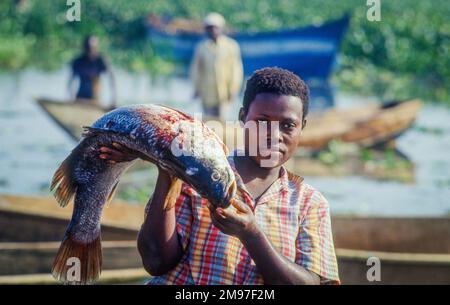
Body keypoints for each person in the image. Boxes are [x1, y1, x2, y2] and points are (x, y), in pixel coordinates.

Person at [99, 67, 340, 285]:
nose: (273, 135)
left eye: (288, 125)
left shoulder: (310, 203)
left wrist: (251, 234)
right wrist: (168, 173)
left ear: (302, 127)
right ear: (243, 117)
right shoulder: (195, 176)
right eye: (262, 122)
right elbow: (155, 263)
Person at [190, 12, 243, 120]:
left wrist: (233, 89)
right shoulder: (201, 47)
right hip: (207, 92)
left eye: (215, 27)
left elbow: (236, 70)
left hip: (224, 91)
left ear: (221, 28)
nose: (212, 31)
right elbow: (196, 70)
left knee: (223, 121)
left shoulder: (231, 46)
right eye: (209, 28)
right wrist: (196, 89)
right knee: (209, 121)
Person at [68, 35, 117, 108]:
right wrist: (71, 97)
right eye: (87, 48)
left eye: (91, 48)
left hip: (95, 99)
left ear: (96, 48)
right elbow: (70, 81)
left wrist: (113, 99)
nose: (89, 51)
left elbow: (111, 78)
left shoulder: (100, 60)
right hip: (80, 98)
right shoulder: (78, 61)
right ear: (84, 48)